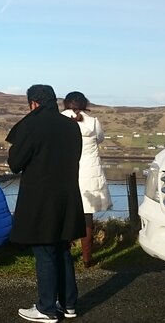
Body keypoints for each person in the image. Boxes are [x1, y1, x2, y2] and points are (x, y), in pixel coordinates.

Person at [6, 84, 85, 323]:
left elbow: (15, 163)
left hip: (41, 197)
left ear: (33, 103)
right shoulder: (72, 127)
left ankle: (47, 308)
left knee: (45, 250)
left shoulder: (31, 125)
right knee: (62, 249)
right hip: (68, 196)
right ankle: (68, 304)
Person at [62, 91, 112, 268]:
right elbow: (99, 139)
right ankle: (87, 258)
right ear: (84, 103)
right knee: (86, 218)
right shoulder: (93, 122)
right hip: (89, 174)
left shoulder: (60, 119)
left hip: (67, 172)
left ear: (66, 103)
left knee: (65, 214)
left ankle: (64, 255)